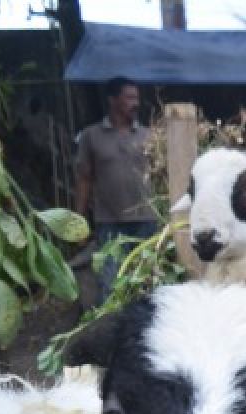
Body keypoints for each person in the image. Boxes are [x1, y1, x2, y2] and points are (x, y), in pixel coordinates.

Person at [74, 76, 158, 303]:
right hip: (109, 222)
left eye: (137, 98)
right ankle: (110, 328)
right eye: (129, 98)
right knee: (109, 283)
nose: (136, 103)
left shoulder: (148, 136)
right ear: (112, 100)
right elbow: (84, 178)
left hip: (147, 221)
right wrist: (79, 221)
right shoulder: (92, 136)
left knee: (147, 281)